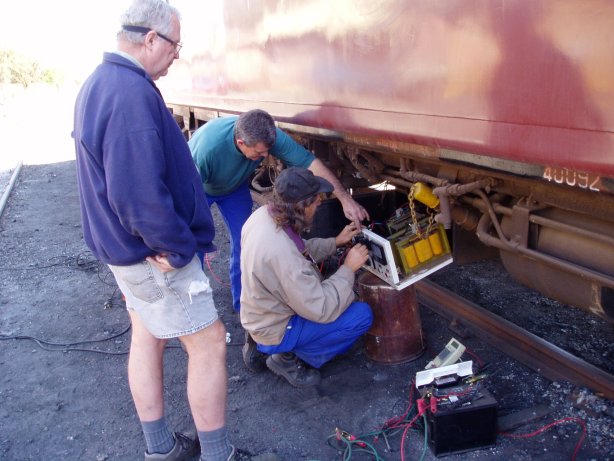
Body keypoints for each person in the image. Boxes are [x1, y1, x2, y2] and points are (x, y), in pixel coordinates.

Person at [72, 1, 276, 460]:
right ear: (150, 39)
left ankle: (161, 448)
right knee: (207, 344)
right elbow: (138, 194)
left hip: (124, 253)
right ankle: (218, 455)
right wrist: (180, 247)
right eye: (174, 45)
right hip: (152, 257)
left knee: (146, 333)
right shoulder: (130, 95)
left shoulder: (100, 84)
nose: (177, 55)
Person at [189, 109, 370, 314]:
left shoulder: (269, 136)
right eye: (259, 153)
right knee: (195, 240)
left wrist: (345, 200)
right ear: (241, 143)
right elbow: (184, 193)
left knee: (244, 242)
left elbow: (309, 162)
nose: (266, 156)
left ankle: (243, 306)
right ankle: (195, 307)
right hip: (199, 188)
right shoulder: (207, 149)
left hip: (234, 187)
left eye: (268, 151)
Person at [239, 167, 374, 387]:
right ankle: (288, 358)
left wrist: (335, 241)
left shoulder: (263, 217)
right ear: (301, 206)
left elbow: (299, 249)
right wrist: (348, 269)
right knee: (361, 316)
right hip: (276, 326)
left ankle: (259, 341)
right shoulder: (281, 254)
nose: (320, 202)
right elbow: (321, 308)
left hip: (258, 312)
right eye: (316, 200)